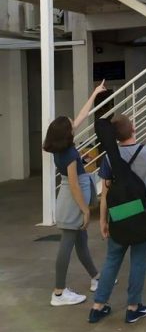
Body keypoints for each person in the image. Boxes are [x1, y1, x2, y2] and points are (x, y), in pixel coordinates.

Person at [88, 113, 146, 324]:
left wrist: (103, 220)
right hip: (143, 213)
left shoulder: (109, 158)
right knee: (139, 260)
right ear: (133, 129)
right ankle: (133, 307)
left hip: (119, 213)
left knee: (112, 259)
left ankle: (98, 306)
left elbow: (106, 193)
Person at [44, 81, 107, 307]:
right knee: (67, 245)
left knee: (81, 242)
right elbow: (74, 185)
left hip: (70, 198)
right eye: (72, 125)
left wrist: (95, 93)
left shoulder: (60, 146)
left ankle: (96, 278)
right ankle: (59, 292)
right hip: (72, 201)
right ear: (68, 132)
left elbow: (82, 115)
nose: (75, 124)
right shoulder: (69, 152)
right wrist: (85, 210)